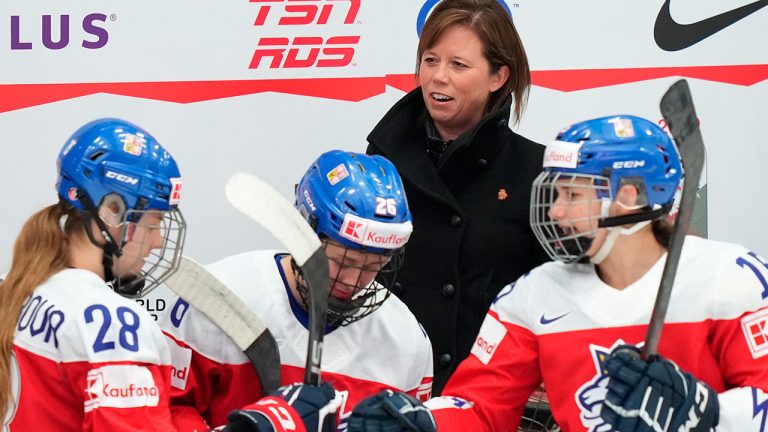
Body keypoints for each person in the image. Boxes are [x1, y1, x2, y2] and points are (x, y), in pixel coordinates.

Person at [346, 115, 768, 431]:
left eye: (572, 195)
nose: (558, 212)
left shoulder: (731, 279)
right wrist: (421, 423)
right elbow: (480, 408)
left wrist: (707, 412)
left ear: (629, 196)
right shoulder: (535, 295)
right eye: (555, 193)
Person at [160, 150, 433, 430]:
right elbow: (162, 416)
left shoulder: (406, 340)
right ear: (303, 232)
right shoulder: (218, 296)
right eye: (341, 261)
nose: (352, 281)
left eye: (373, 266)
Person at [366, 0, 549, 393]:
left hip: (488, 399)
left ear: (499, 76)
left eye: (458, 65)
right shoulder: (382, 159)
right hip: (389, 392)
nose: (438, 78)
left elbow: (557, 300)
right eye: (430, 61)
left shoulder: (536, 171)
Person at [0, 118, 187, 430]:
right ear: (111, 211)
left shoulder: (19, 286)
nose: (157, 242)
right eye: (152, 224)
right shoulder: (111, 324)